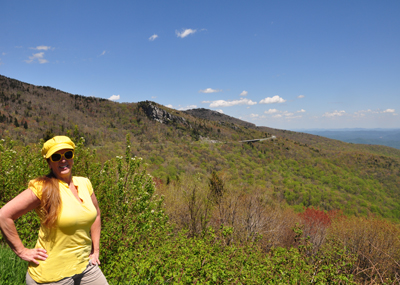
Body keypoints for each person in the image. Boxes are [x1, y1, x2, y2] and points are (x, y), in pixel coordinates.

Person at [0, 136, 108, 284]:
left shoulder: (84, 183)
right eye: (56, 157)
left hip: (86, 267)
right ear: (49, 163)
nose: (63, 160)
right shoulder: (42, 188)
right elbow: (4, 215)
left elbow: (96, 215)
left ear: (73, 157)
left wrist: (95, 251)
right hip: (52, 276)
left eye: (68, 155)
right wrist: (21, 251)